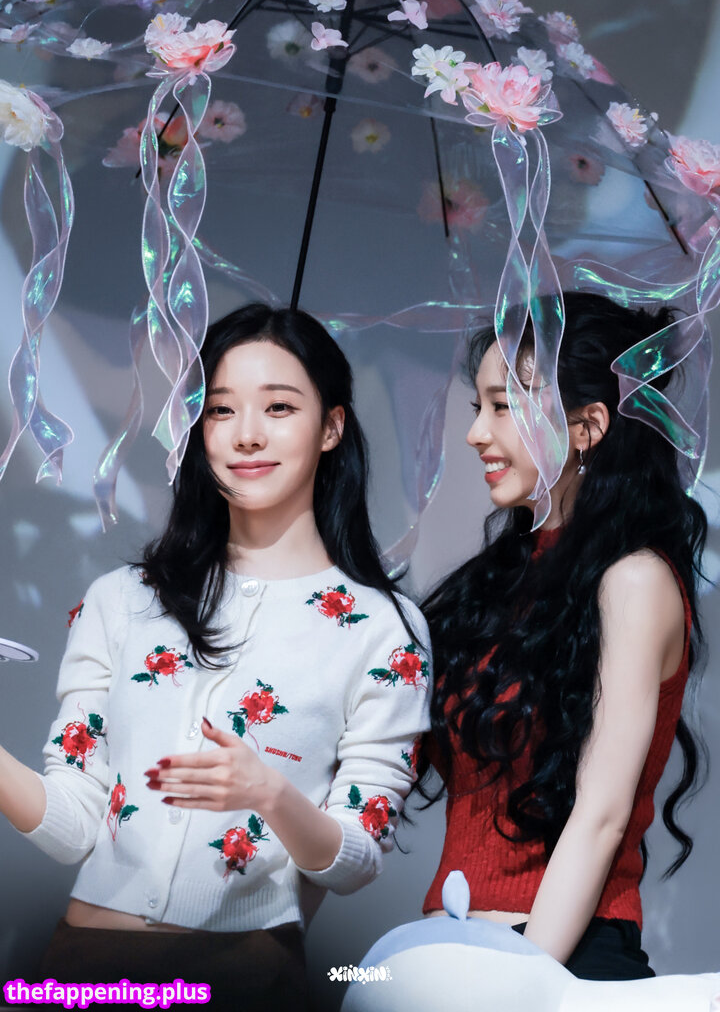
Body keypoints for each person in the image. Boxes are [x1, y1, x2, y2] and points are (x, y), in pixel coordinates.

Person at [0, 303, 430, 1010]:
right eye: (221, 410)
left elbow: (356, 860)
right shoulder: (122, 600)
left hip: (245, 976)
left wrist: (270, 793)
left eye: (279, 407)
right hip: (83, 967)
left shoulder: (385, 631)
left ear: (331, 427)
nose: (247, 434)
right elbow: (74, 825)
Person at [419, 291, 707, 981]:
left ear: (588, 425)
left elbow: (602, 816)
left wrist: (520, 979)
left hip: (555, 961)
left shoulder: (635, 581)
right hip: (449, 956)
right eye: (478, 406)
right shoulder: (492, 585)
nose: (476, 433)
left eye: (502, 406)